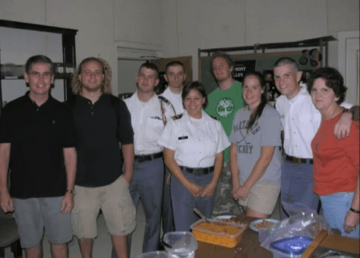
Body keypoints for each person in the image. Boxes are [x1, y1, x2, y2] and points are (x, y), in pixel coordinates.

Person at [0, 55, 76, 258]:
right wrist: (3, 189)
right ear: (26, 77)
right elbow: (3, 152)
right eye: (35, 74)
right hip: (22, 193)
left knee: (59, 243)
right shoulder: (11, 110)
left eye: (46, 75)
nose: (41, 80)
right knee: (31, 244)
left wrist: (69, 191)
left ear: (52, 79)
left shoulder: (63, 112)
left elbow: (70, 154)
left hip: (56, 192)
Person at [70, 57, 136, 258]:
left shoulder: (116, 105)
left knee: (120, 229)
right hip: (81, 186)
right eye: (87, 72)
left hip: (113, 183)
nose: (92, 76)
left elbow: (127, 141)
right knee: (84, 233)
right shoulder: (67, 107)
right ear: (79, 76)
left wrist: (128, 175)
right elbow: (65, 149)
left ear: (104, 76)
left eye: (97, 72)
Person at [273, 57, 355, 219]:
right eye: (277, 77)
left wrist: (347, 115)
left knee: (309, 218)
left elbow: (352, 108)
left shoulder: (315, 96)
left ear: (298, 76)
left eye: (286, 76)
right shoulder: (279, 102)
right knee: (288, 214)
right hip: (289, 166)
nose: (281, 82)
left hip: (314, 166)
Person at [158, 81, 230, 231]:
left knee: (204, 228)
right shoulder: (174, 124)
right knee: (183, 230)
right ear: (183, 101)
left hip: (208, 180)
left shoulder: (215, 124)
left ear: (203, 100)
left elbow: (219, 157)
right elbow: (168, 158)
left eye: (196, 98)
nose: (192, 103)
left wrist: (213, 184)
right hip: (182, 179)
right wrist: (188, 184)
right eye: (188, 98)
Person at [123, 62, 175, 253]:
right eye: (142, 75)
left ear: (156, 82)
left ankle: (150, 254)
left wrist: (171, 170)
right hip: (127, 164)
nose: (146, 80)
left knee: (154, 217)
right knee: (122, 216)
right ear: (137, 78)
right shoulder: (124, 105)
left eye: (150, 77)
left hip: (154, 166)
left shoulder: (164, 108)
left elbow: (172, 142)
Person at [308, 67, 359, 238]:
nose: (317, 95)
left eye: (325, 90)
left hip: (344, 200)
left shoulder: (346, 127)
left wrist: (355, 210)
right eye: (314, 89)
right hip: (329, 200)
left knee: (345, 252)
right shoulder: (327, 119)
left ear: (337, 95)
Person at [230, 72, 282, 218]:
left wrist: (246, 186)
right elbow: (233, 151)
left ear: (262, 89)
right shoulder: (239, 114)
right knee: (250, 230)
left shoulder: (270, 115)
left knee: (252, 230)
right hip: (243, 180)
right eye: (246, 87)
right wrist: (236, 183)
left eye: (254, 87)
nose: (249, 92)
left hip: (264, 182)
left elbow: (266, 157)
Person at [205, 52, 245, 217]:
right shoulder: (209, 99)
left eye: (222, 65)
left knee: (246, 207)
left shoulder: (245, 90)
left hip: (245, 159)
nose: (218, 70)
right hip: (222, 160)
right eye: (215, 67)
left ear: (231, 68)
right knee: (222, 209)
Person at [160, 61, 186, 235]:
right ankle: (169, 242)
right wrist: (170, 168)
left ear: (184, 76)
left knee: (187, 203)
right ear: (165, 77)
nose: (176, 78)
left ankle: (187, 240)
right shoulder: (159, 101)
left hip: (190, 158)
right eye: (171, 74)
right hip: (170, 159)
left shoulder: (192, 97)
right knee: (170, 205)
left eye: (179, 74)